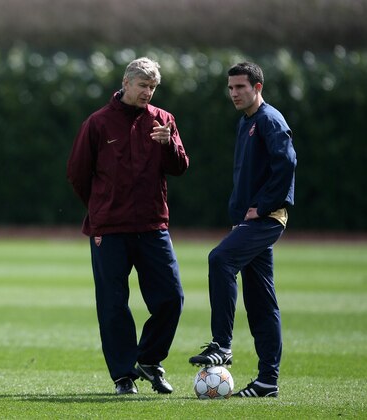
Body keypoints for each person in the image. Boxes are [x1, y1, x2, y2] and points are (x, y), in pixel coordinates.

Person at [67, 57, 189, 395]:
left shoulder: (165, 121)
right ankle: (123, 376)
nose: (147, 93)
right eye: (142, 86)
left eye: (152, 87)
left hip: (153, 226)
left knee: (172, 297)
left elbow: (180, 167)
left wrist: (171, 144)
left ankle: (148, 359)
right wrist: (100, 208)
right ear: (126, 82)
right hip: (110, 229)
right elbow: (77, 173)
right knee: (113, 303)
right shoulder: (98, 124)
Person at [188, 62, 297, 398]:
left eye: (241, 87)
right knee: (262, 302)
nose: (234, 93)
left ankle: (222, 345)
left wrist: (262, 206)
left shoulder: (269, 120)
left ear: (258, 88)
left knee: (219, 259)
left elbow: (287, 163)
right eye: (231, 87)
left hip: (266, 220)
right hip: (248, 221)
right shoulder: (246, 122)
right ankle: (268, 381)